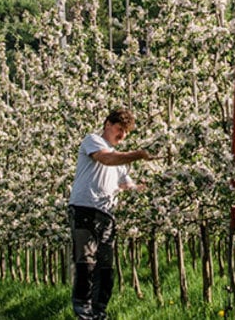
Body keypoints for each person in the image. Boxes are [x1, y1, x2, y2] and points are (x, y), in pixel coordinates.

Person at [68, 107, 152, 320]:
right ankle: (83, 313)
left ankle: (99, 312)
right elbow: (106, 159)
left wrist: (143, 187)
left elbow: (126, 184)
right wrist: (138, 155)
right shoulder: (93, 141)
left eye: (126, 132)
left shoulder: (120, 161)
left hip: (106, 214)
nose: (122, 135)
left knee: (105, 267)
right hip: (85, 208)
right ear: (107, 124)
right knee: (86, 262)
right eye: (119, 129)